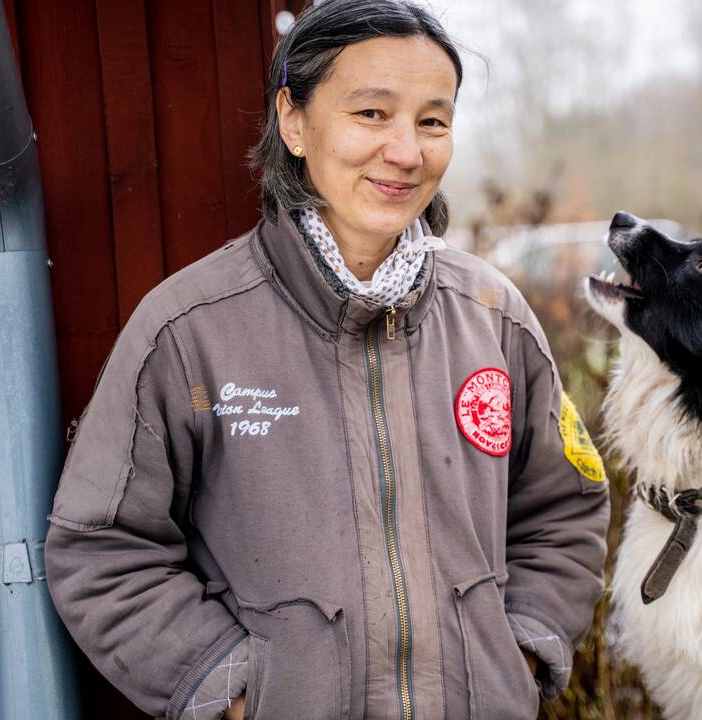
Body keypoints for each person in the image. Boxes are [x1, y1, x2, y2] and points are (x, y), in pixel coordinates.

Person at [43, 2, 610, 719]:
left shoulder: (493, 318)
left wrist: (519, 652)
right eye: (372, 113)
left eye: (432, 121)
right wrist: (236, 688)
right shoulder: (189, 330)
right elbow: (101, 548)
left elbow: (566, 506)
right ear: (294, 121)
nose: (407, 151)